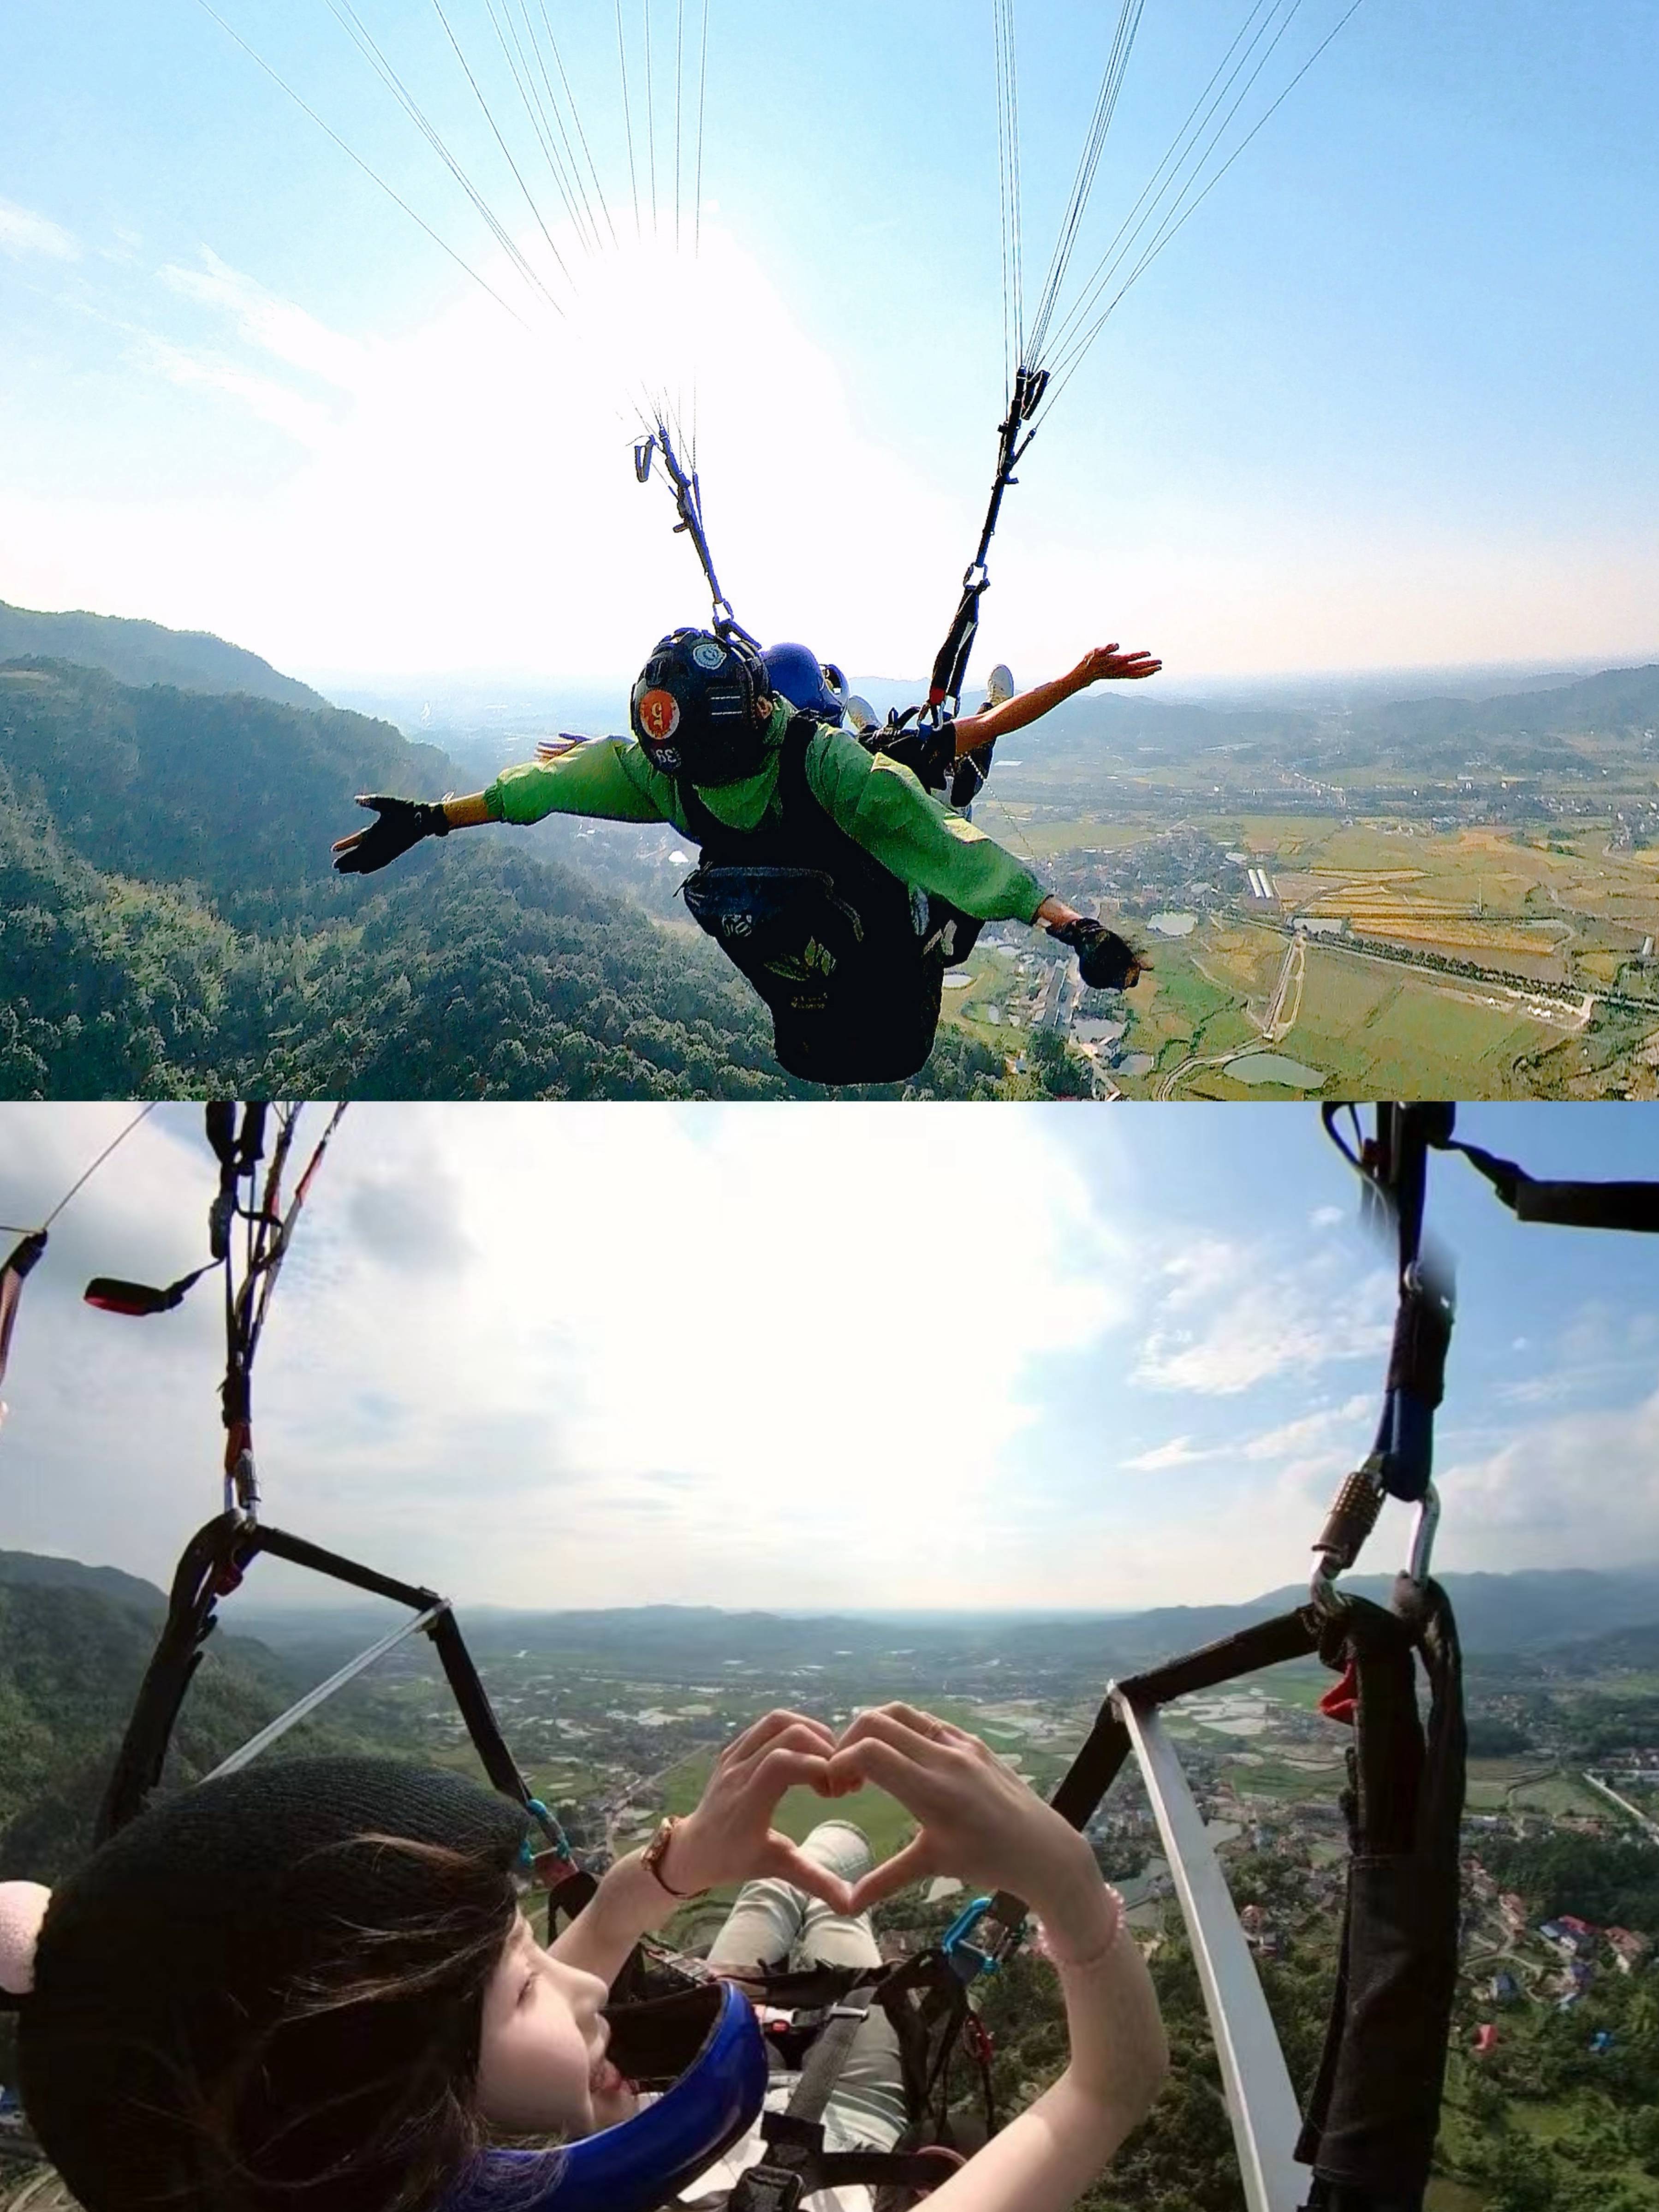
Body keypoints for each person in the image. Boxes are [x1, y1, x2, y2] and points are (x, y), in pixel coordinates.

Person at [0, 1705, 1167, 2212]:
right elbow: (1110, 2089)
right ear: (433, 2151)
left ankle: (786, 1871)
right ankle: (822, 1867)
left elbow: (502, 2007)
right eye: (526, 1981)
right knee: (837, 1865)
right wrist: (1062, 1880)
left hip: (730, 2055)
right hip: (838, 2110)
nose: (586, 1973)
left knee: (775, 1880)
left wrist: (670, 1866)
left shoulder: (295, 2160)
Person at [331, 631, 1160, 1085]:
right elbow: (952, 847)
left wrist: (435, 819)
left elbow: (543, 788)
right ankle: (970, 701)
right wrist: (1068, 924)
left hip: (811, 1037)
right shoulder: (839, 764)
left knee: (933, 767)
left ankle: (962, 712)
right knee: (949, 774)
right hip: (901, 969)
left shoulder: (664, 781)